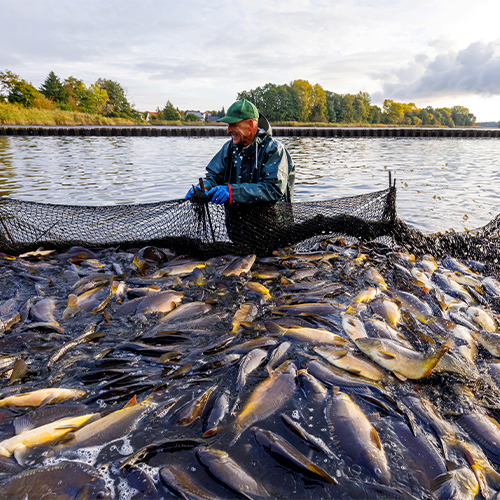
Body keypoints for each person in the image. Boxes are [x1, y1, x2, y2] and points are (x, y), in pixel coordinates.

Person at [185, 98, 295, 205]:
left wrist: (232, 192)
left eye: (233, 124)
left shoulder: (274, 149)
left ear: (250, 125)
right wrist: (203, 187)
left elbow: (273, 189)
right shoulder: (228, 148)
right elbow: (213, 176)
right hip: (236, 223)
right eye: (228, 125)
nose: (228, 130)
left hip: (272, 222)